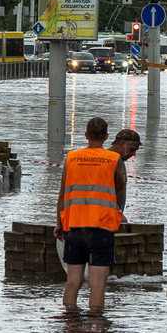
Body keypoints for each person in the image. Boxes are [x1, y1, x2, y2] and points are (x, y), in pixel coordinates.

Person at [54, 117, 127, 312]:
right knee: (97, 286)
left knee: (72, 282)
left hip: (75, 227)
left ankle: (70, 324)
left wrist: (59, 224)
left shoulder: (71, 158)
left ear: (86, 135)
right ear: (106, 137)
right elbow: (119, 186)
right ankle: (96, 327)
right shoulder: (114, 159)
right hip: (101, 228)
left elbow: (62, 195)